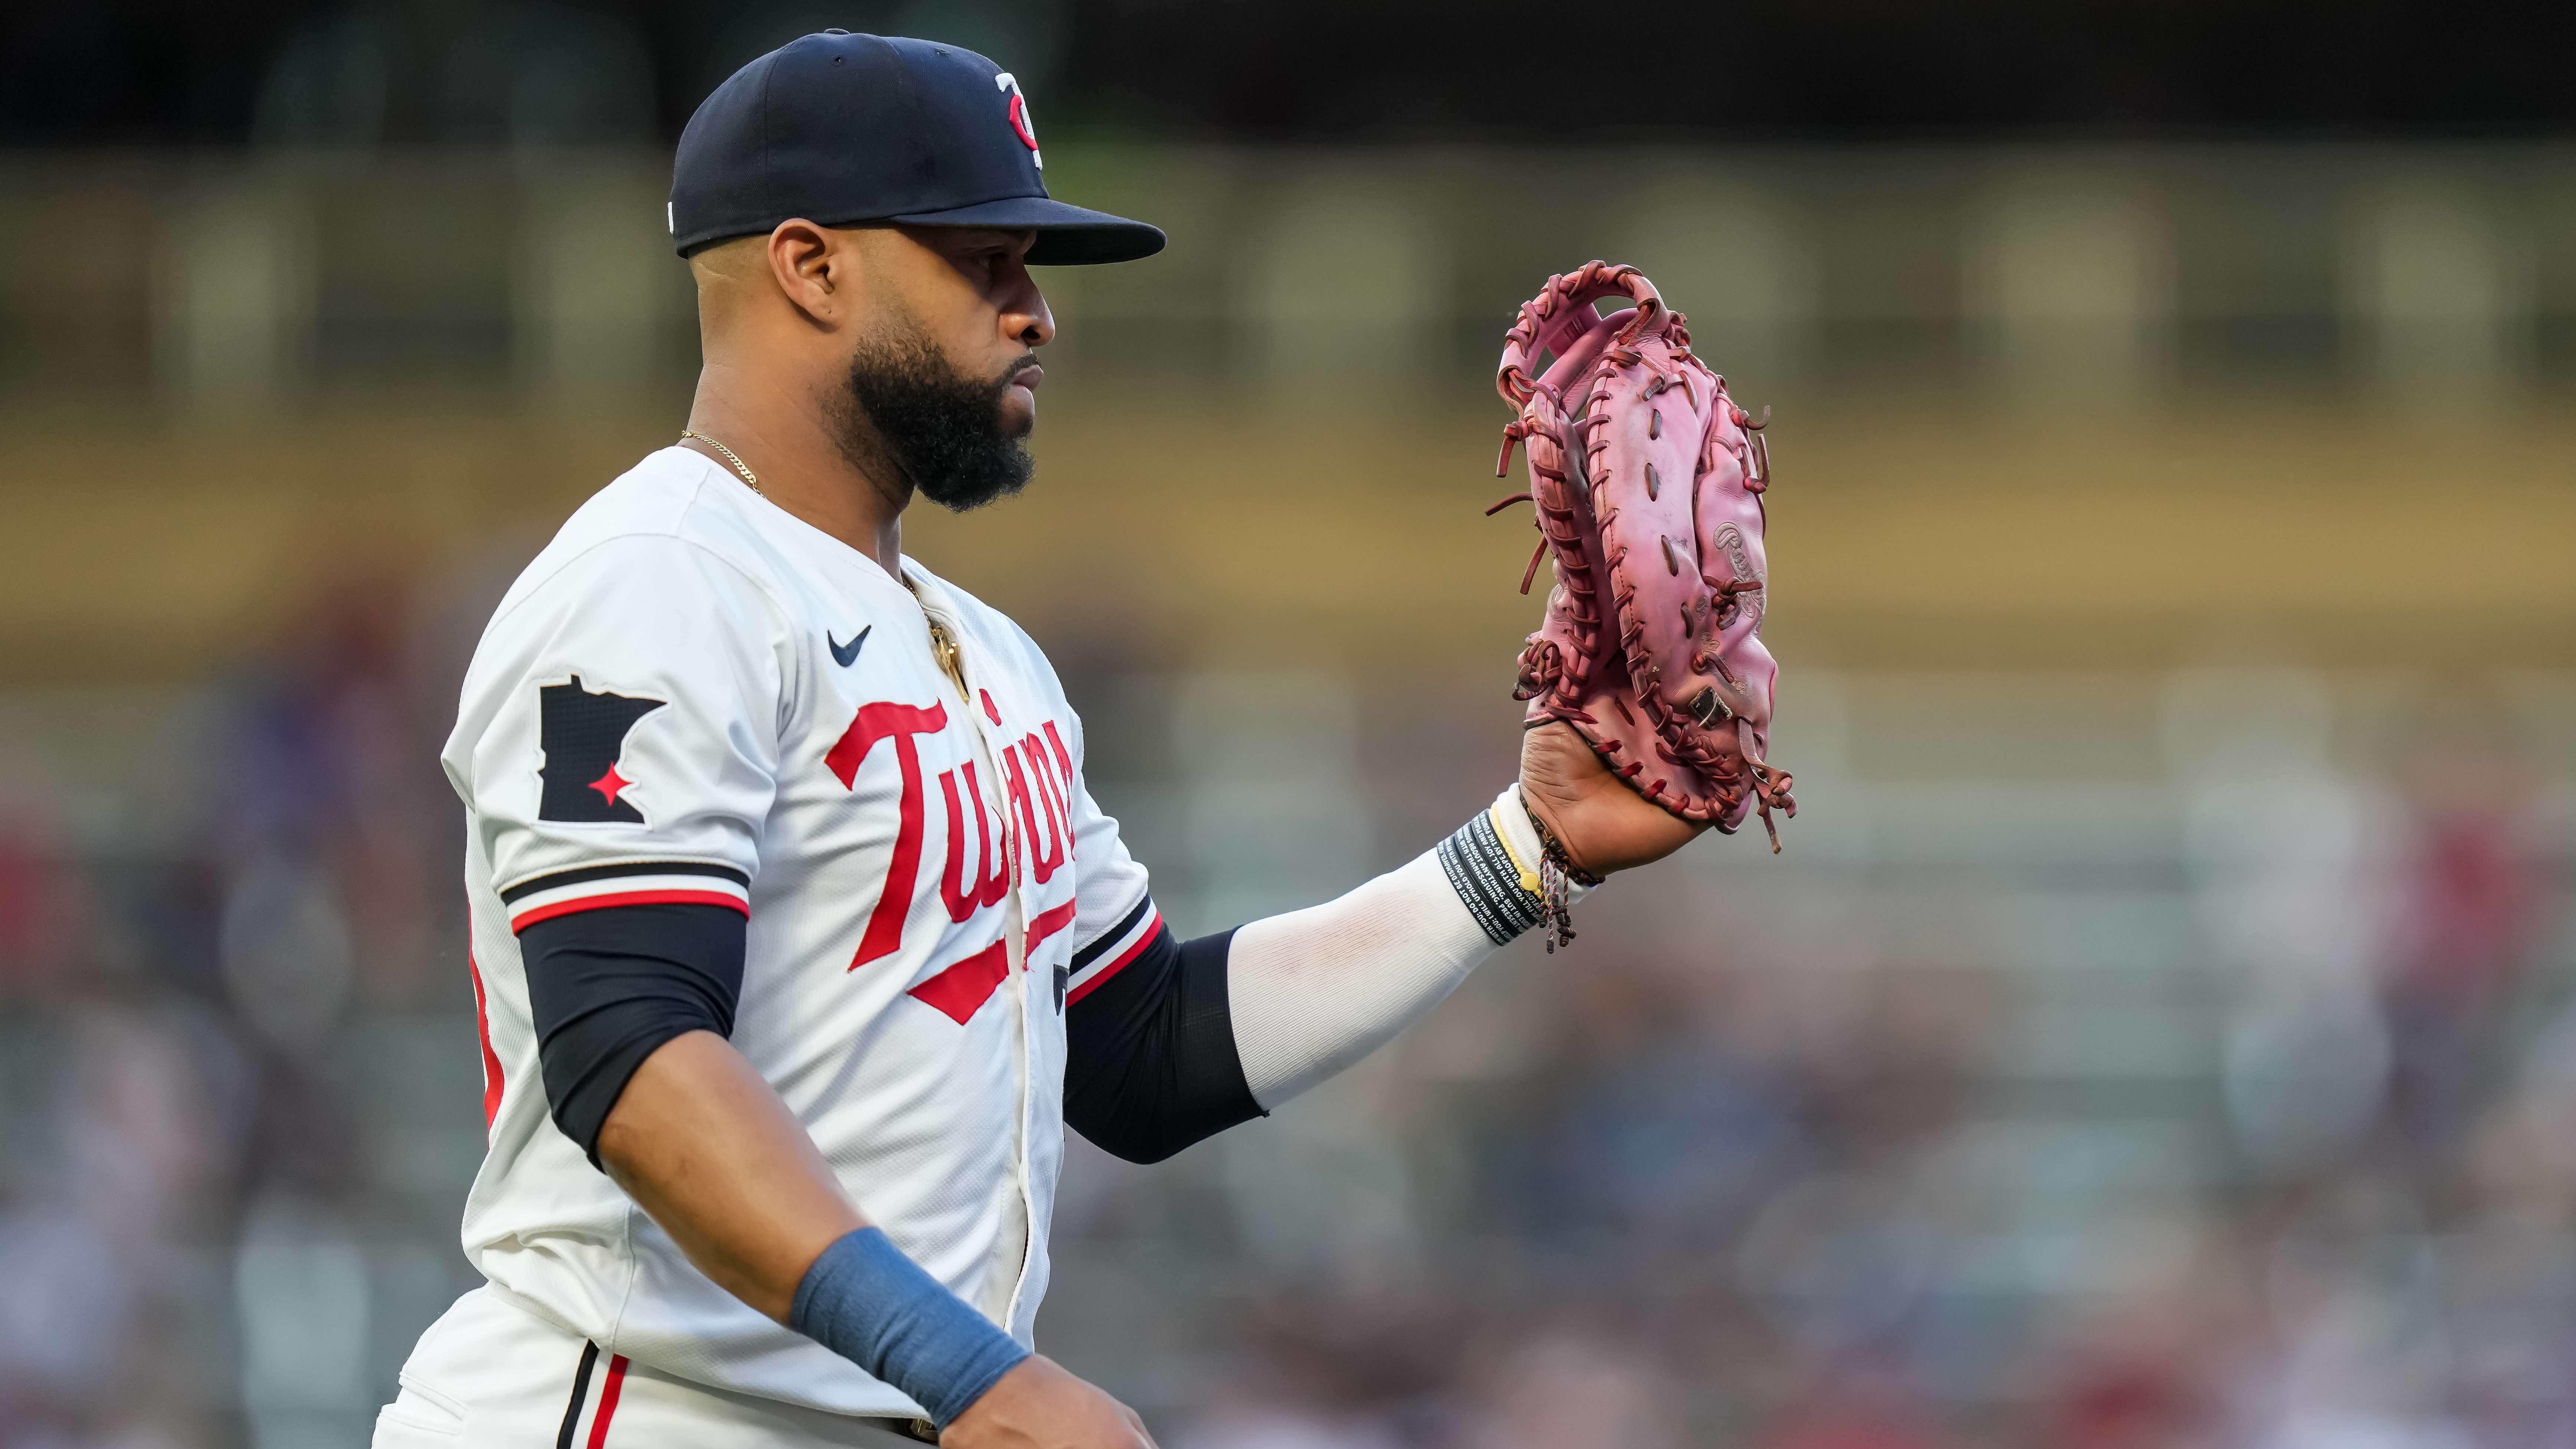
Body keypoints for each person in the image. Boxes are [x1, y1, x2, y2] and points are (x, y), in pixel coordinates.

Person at [374, 32, 1698, 1449]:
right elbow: (631, 1060)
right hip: (632, 1418)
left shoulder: (987, 656)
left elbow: (1139, 1048)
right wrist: (976, 1378)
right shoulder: (655, 583)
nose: (1035, 316)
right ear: (810, 267)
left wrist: (1525, 850)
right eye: (983, 262)